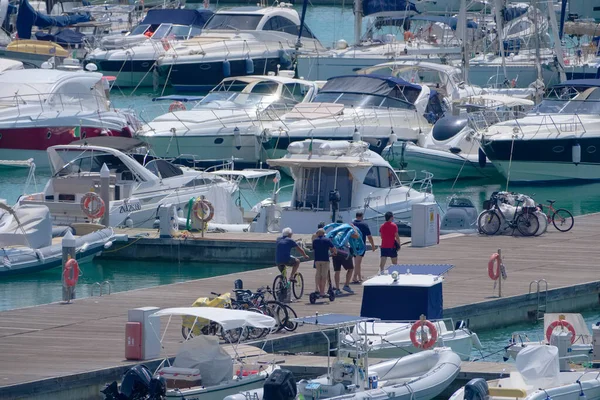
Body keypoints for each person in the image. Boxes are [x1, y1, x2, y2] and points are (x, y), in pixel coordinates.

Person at [352, 211, 376, 283]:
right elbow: (369, 237)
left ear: (356, 216)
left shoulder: (352, 224)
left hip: (353, 245)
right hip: (361, 245)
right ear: (362, 216)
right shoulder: (364, 224)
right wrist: (373, 245)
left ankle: (359, 276)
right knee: (358, 262)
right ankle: (354, 277)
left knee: (357, 261)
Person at [312, 228, 336, 298]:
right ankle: (322, 292)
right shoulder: (327, 240)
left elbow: (314, 248)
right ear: (323, 234)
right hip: (325, 259)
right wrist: (335, 253)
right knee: (324, 276)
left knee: (318, 275)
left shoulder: (315, 241)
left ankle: (317, 289)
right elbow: (333, 248)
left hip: (317, 260)